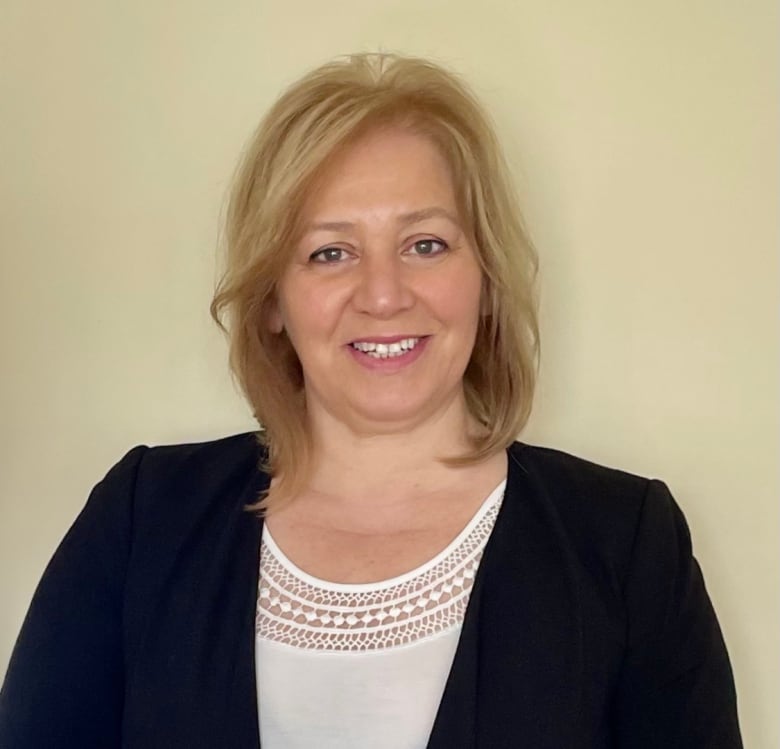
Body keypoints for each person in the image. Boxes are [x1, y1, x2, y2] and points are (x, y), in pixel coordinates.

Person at [0, 53, 742, 748]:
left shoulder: (626, 546)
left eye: (426, 244)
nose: (384, 295)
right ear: (273, 302)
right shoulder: (141, 522)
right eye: (331, 252)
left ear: (484, 278)